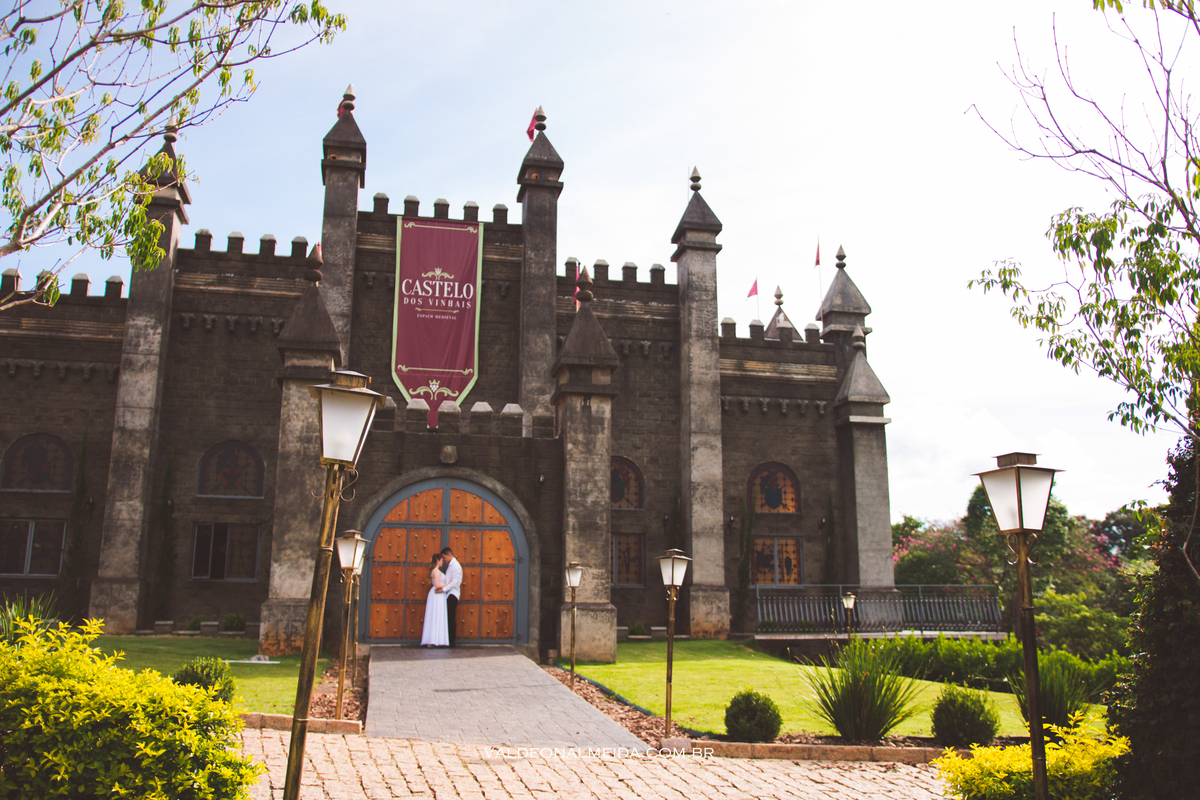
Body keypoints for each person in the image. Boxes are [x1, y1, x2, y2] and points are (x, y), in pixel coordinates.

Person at [420, 553, 449, 647]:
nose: (442, 562)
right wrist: (448, 584)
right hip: (437, 595)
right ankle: (434, 640)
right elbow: (437, 584)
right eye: (441, 560)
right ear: (437, 560)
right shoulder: (436, 571)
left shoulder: (436, 571)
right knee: (436, 615)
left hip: (439, 595)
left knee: (438, 615)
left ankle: (437, 639)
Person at [436, 546, 462, 647]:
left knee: (451, 618)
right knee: (448, 617)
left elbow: (455, 582)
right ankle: (448, 640)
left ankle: (452, 641)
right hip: (449, 594)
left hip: (452, 595)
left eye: (444, 557)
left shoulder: (455, 566)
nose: (443, 560)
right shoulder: (451, 565)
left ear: (449, 555)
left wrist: (443, 589)